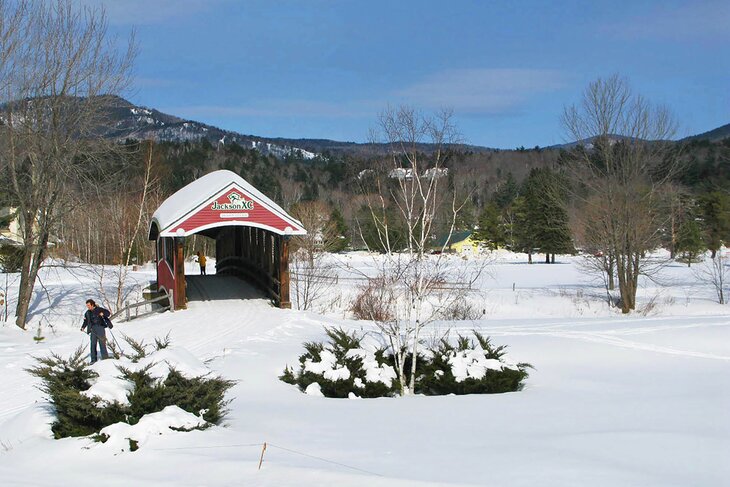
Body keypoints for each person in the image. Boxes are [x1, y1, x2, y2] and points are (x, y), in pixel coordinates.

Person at [81, 299, 110, 363]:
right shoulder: (87, 313)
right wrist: (83, 327)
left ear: (92, 304)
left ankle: (105, 358)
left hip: (100, 327)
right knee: (93, 344)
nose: (88, 307)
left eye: (88, 305)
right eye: (87, 306)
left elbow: (108, 313)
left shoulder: (99, 309)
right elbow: (86, 321)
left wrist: (103, 314)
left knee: (102, 343)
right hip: (92, 329)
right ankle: (93, 360)